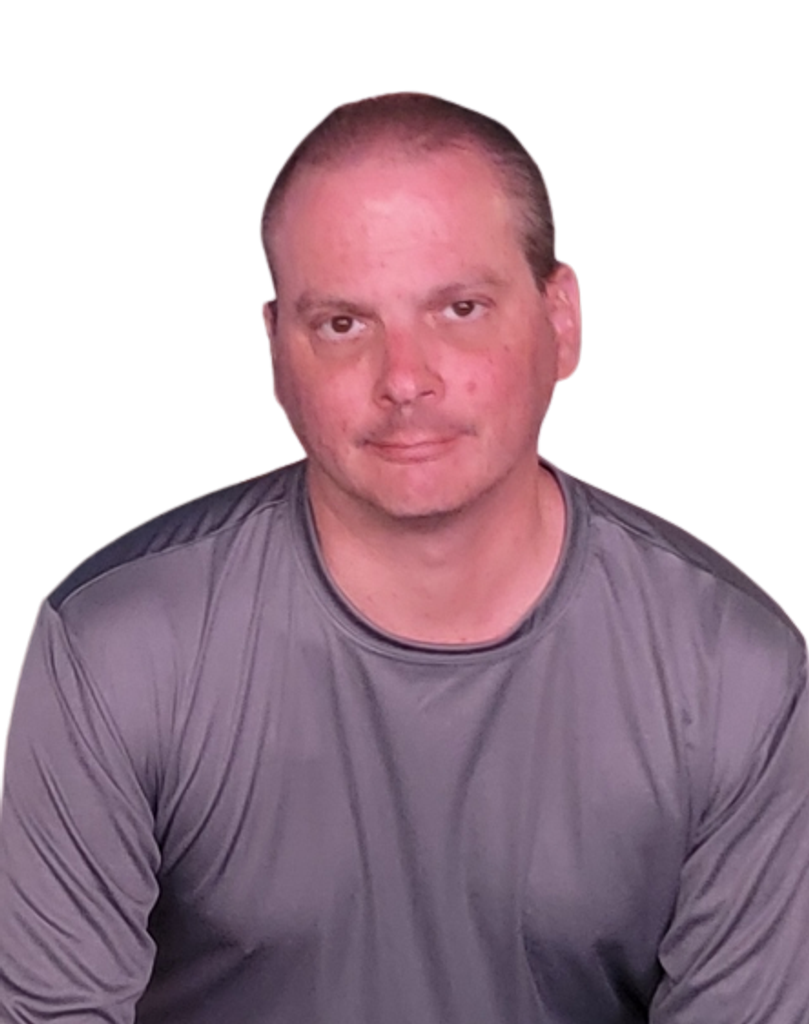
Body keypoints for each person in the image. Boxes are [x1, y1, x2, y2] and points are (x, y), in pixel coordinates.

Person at [1, 91, 807, 1024]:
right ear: (274, 354)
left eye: (459, 309)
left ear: (561, 321)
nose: (404, 380)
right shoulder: (114, 646)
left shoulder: (735, 672)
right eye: (343, 324)